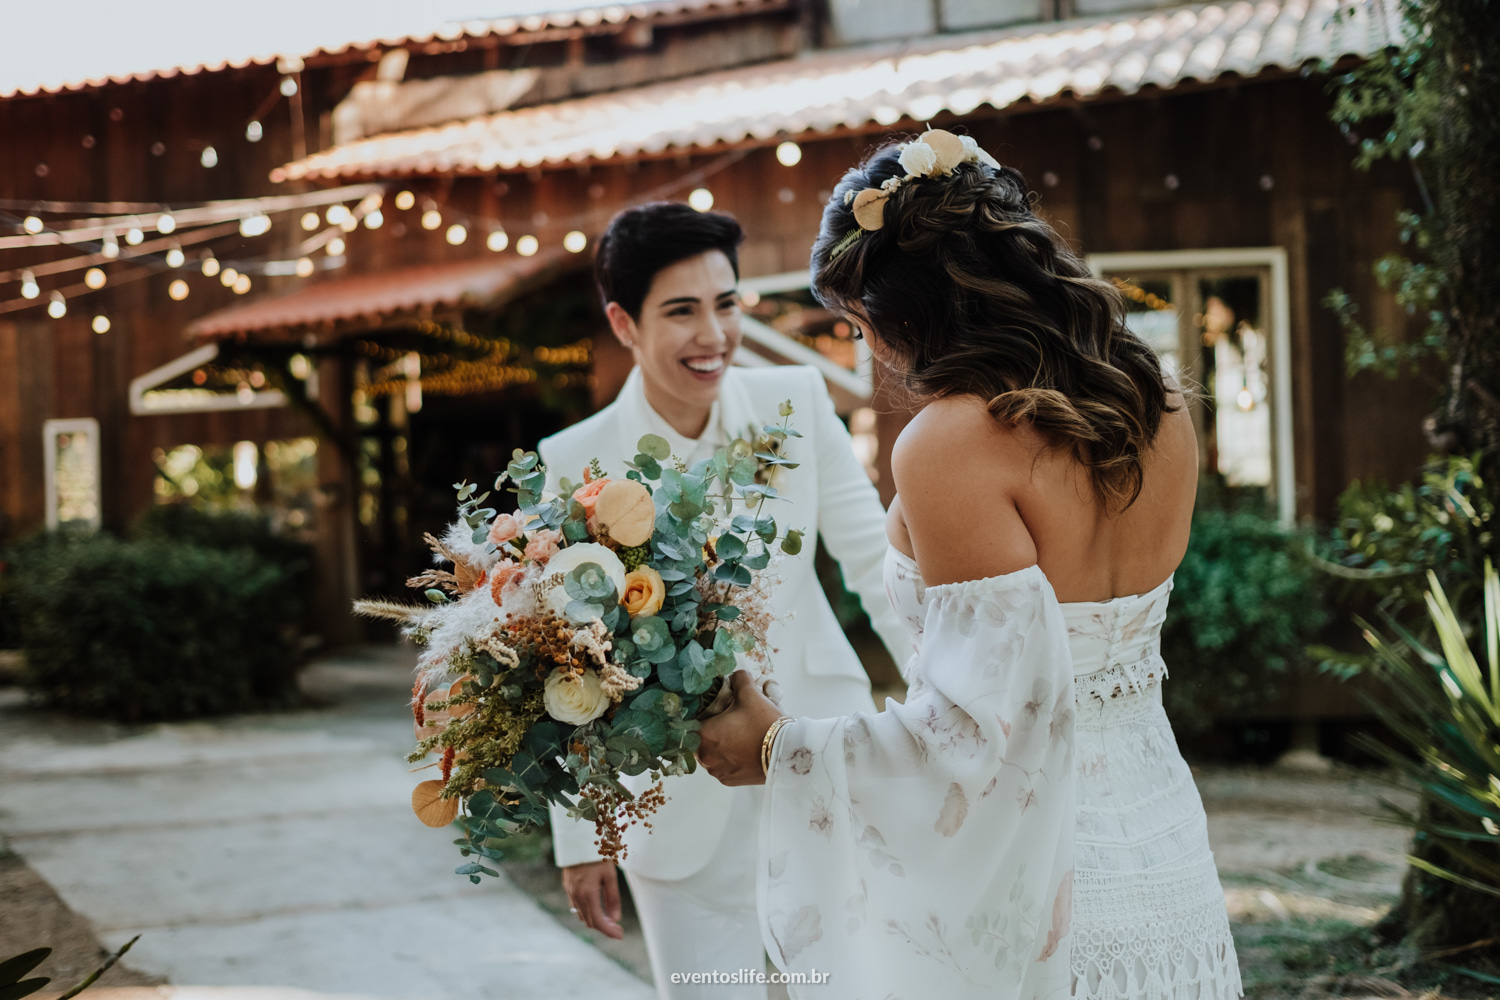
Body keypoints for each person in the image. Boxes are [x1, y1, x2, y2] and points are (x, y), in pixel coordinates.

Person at [699, 131, 1242, 1000]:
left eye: (860, 322)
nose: (871, 348)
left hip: (1039, 888)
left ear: (907, 311)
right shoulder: (1159, 400)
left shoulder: (948, 445)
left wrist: (778, 748)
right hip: (1165, 847)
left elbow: (978, 742)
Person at [540, 201, 909, 1000]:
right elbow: (570, 667)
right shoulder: (573, 463)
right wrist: (582, 835)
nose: (715, 335)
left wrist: (951, 704)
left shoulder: (797, 405)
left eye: (727, 304)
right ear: (624, 322)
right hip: (672, 804)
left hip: (819, 754)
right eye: (682, 311)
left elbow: (878, 564)